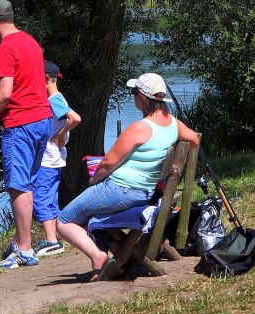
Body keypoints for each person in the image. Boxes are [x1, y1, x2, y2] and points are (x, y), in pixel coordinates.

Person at [56, 72, 200, 280]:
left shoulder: (140, 128)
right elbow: (194, 139)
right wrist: (170, 164)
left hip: (120, 190)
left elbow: (107, 163)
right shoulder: (173, 124)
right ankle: (120, 252)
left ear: (142, 97)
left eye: (134, 92)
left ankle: (98, 256)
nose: (133, 97)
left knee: (64, 221)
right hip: (144, 191)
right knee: (88, 214)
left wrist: (93, 180)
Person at [0, 0, 53, 269]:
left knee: (18, 186)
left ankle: (24, 249)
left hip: (20, 124)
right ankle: (22, 243)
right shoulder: (30, 42)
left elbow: (5, 96)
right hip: (42, 121)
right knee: (27, 182)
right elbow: (23, 81)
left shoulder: (5, 48)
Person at [33, 60, 81, 257]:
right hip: (55, 159)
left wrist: (60, 135)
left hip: (48, 159)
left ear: (45, 79)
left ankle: (52, 241)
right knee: (51, 199)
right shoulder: (57, 98)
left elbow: (75, 118)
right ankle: (55, 238)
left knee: (39, 198)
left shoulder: (54, 100)